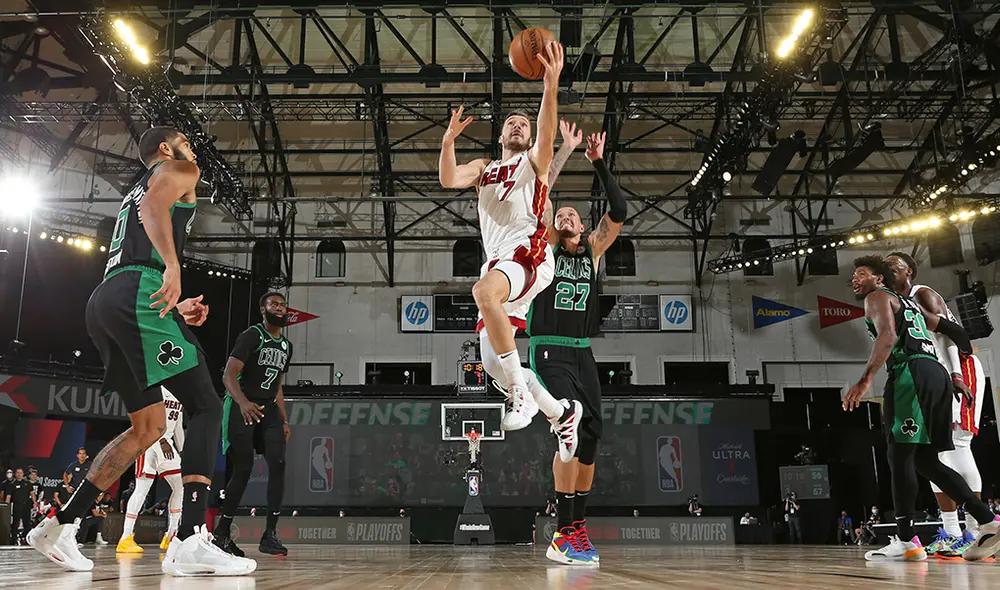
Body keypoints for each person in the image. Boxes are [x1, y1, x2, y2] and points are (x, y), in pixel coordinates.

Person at [27, 126, 255, 576]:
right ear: (166, 150)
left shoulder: (134, 190)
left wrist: (174, 304)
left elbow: (140, 232)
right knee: (207, 405)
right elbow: (155, 211)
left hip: (109, 300)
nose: (193, 151)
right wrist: (172, 270)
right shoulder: (179, 169)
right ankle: (190, 538)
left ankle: (61, 524)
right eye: (186, 142)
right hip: (137, 294)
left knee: (147, 428)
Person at [438, 40, 582, 462]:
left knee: (483, 293)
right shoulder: (484, 169)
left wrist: (550, 85)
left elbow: (547, 133)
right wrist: (448, 140)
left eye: (523, 123)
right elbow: (448, 179)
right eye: (511, 123)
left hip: (529, 253)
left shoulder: (534, 162)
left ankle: (520, 395)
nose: (518, 126)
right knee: (494, 361)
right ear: (500, 135)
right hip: (501, 261)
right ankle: (561, 415)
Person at [843, 256, 1000, 562]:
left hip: (911, 374)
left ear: (879, 279)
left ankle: (906, 541)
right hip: (936, 377)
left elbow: (887, 337)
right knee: (927, 460)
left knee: (898, 454)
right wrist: (955, 370)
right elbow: (955, 331)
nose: (855, 279)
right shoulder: (910, 303)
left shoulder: (878, 297)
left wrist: (864, 381)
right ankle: (988, 521)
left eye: (861, 274)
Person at [525, 126, 624, 566]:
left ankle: (573, 530)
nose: (564, 218)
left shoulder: (593, 252)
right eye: (559, 216)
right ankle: (562, 534)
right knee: (569, 420)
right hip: (547, 347)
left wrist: (599, 161)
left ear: (584, 227)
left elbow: (619, 209)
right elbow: (541, 194)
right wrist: (564, 151)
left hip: (582, 351)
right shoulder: (545, 248)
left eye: (571, 216)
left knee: (590, 440)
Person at [884, 252, 987, 558]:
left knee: (958, 444)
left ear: (909, 272)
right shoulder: (892, 301)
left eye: (895, 265)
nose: (889, 269)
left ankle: (977, 530)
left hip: (957, 370)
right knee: (933, 451)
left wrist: (956, 373)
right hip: (931, 375)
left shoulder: (922, 294)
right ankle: (953, 532)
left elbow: (950, 337)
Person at [213, 292, 293, 558]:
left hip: (268, 409)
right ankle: (221, 534)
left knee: (279, 464)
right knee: (243, 468)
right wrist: (243, 402)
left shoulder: (286, 346)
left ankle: (270, 535)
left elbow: (278, 384)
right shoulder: (252, 335)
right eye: (274, 304)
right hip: (242, 406)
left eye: (282, 305)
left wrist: (283, 419)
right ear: (263, 309)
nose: (279, 308)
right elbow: (228, 375)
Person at [118, 387, 186, 554]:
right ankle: (126, 538)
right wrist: (161, 439)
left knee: (180, 485)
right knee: (142, 490)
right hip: (149, 443)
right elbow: (146, 418)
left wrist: (183, 451)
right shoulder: (157, 389)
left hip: (166, 444)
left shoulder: (180, 393)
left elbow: (177, 426)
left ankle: (170, 535)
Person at [7, 468, 34, 545]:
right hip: (17, 505)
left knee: (27, 523)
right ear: (15, 474)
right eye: (18, 473)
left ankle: (27, 539)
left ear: (23, 474)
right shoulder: (12, 484)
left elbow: (32, 493)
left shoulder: (27, 483)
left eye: (21, 473)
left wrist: (35, 503)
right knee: (15, 523)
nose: (19, 474)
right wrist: (7, 506)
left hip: (26, 505)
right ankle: (14, 539)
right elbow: (8, 496)